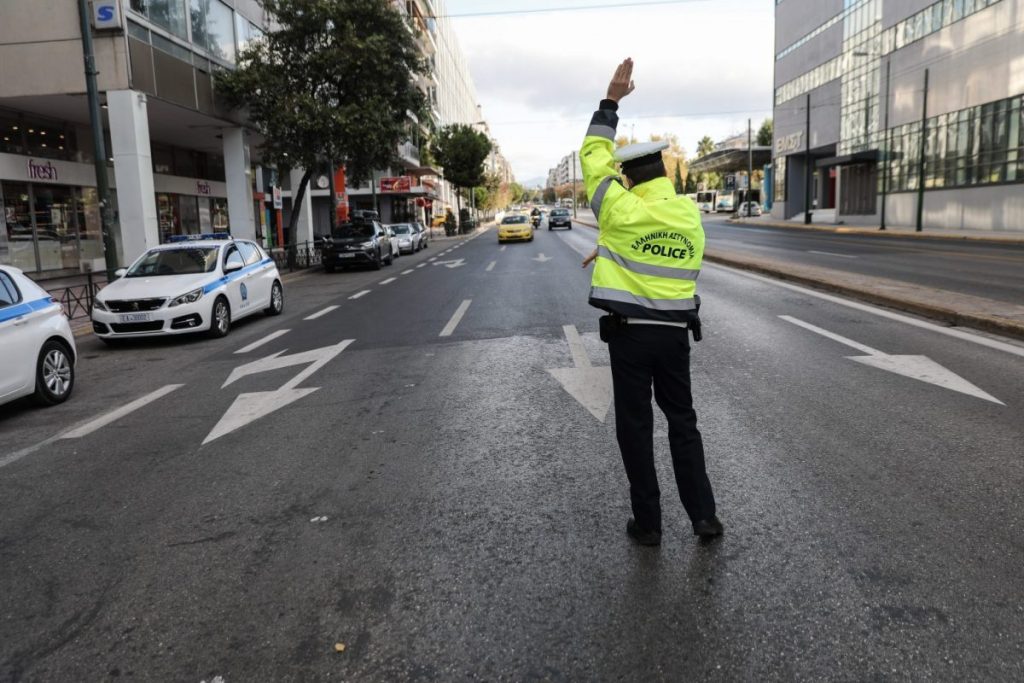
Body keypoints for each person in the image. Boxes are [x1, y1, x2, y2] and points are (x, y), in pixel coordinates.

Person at [581, 58, 722, 545]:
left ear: (628, 179)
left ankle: (649, 524)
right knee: (683, 423)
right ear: (662, 171)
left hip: (630, 339)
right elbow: (662, 248)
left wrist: (610, 103)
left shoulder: (618, 209)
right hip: (675, 338)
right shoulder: (688, 215)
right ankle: (704, 516)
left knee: (636, 429)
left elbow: (592, 156)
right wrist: (610, 245)